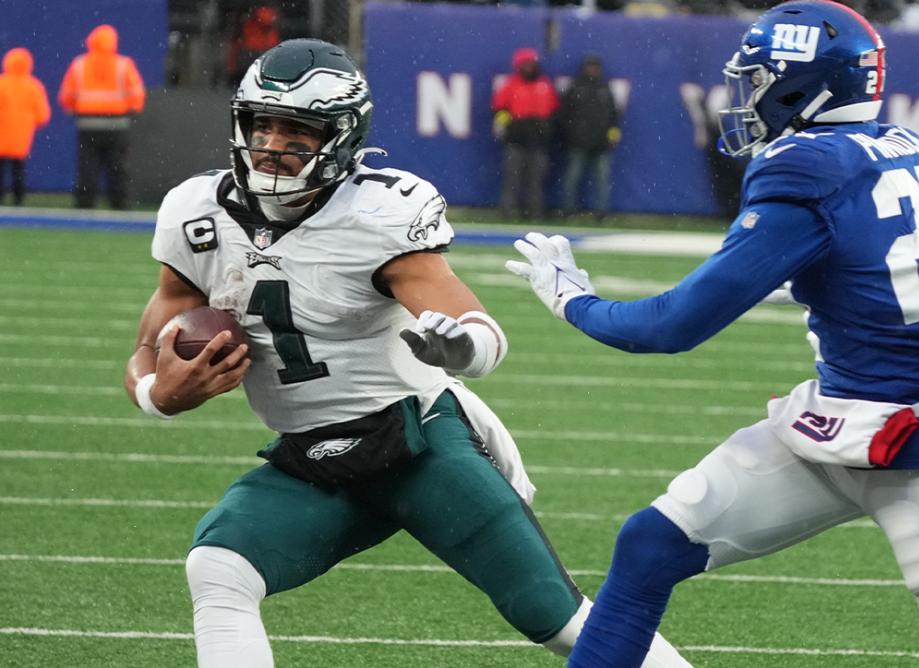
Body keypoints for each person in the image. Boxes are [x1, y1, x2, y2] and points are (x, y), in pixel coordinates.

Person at [508, 3, 919, 666]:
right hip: (833, 423)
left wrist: (573, 300)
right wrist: (875, 300)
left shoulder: (803, 165)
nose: (745, 96)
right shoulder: (905, 145)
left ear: (803, 86)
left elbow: (672, 326)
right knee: (651, 544)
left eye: (759, 80)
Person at [122, 38, 687, 668]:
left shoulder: (377, 212)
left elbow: (480, 330)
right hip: (312, 456)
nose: (274, 145)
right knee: (218, 567)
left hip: (416, 441)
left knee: (554, 616)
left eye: (298, 131)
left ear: (341, 138)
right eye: (264, 125)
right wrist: (155, 394)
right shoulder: (198, 211)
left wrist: (459, 347)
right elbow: (151, 338)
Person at [58, 24, 145, 209]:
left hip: (88, 124)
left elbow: (66, 94)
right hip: (117, 125)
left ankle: (85, 203)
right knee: (117, 167)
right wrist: (132, 108)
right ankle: (119, 203)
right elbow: (137, 93)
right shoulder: (123, 64)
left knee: (87, 166)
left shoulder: (79, 64)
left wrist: (72, 108)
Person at [491, 47, 558, 220]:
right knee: (512, 179)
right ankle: (508, 212)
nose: (529, 67)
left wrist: (546, 128)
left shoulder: (545, 85)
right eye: (526, 64)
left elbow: (554, 111)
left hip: (538, 141)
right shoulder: (510, 85)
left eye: (531, 63)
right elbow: (499, 108)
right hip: (516, 140)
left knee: (536, 180)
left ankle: (535, 212)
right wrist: (511, 127)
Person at [558, 54, 620, 219]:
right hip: (578, 142)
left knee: (602, 179)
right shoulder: (575, 87)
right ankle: (568, 210)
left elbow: (613, 115)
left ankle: (601, 213)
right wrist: (572, 134)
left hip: (601, 143)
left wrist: (611, 134)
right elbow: (564, 114)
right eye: (590, 66)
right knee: (572, 177)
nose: (593, 70)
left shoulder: (604, 88)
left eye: (595, 66)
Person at [0, 47, 51, 205]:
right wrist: (27, 121)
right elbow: (43, 115)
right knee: (19, 169)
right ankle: (19, 199)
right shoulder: (33, 87)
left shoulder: (2, 84)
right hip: (21, 138)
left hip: (1, 135)